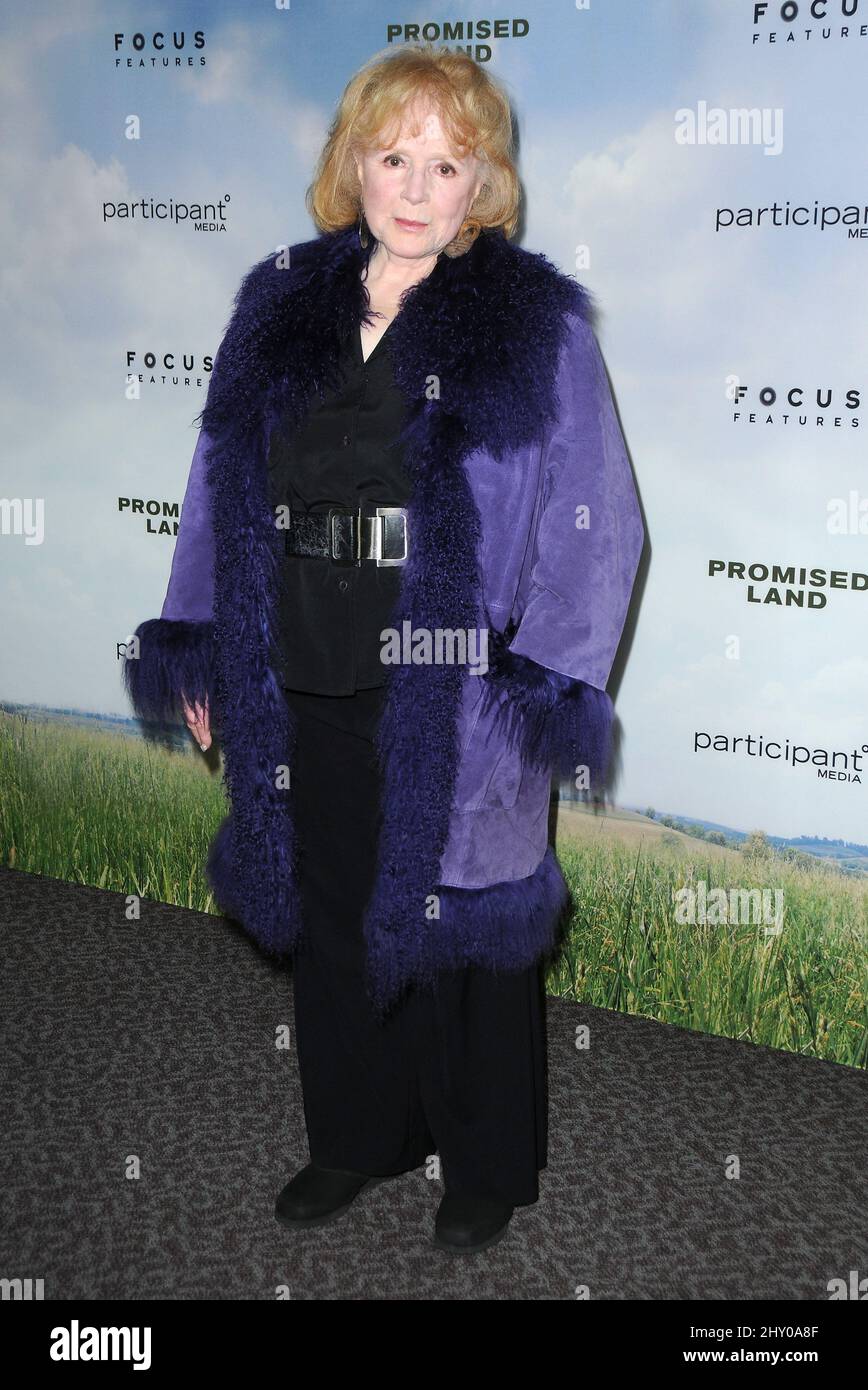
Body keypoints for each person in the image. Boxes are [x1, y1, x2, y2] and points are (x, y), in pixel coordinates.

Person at [122, 44, 645, 1256]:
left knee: (467, 924)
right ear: (351, 163)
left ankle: (485, 1164)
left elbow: (600, 518)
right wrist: (199, 643)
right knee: (337, 903)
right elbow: (217, 482)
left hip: (452, 679)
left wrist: (544, 687)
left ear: (484, 187)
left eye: (447, 163)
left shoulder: (532, 325)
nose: (415, 185)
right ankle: (359, 1136)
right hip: (296, 652)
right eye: (393, 154)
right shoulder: (280, 300)